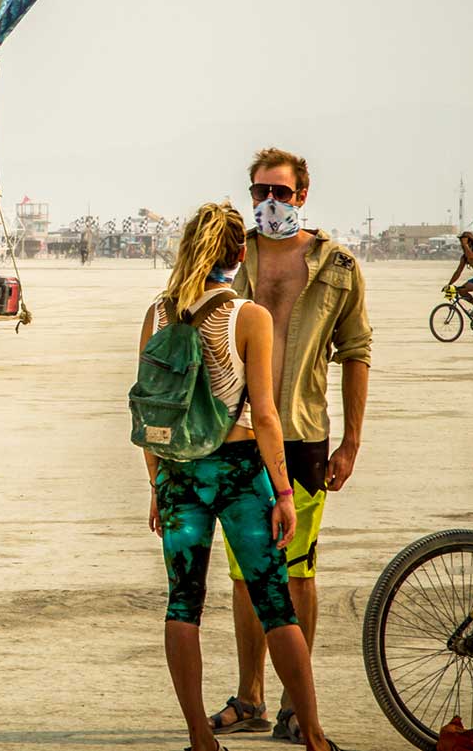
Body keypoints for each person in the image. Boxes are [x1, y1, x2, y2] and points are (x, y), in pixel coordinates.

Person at [141, 201, 340, 751]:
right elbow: (266, 414)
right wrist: (282, 491)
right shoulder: (248, 316)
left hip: (179, 474)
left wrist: (156, 485)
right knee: (275, 600)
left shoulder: (158, 314)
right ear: (236, 254)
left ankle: (201, 740)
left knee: (183, 602)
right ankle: (315, 738)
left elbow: (149, 412)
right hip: (238, 472)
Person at [207, 148, 371, 740]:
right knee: (245, 576)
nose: (269, 202)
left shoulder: (338, 267)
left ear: (303, 194)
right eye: (259, 192)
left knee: (297, 572)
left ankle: (295, 706)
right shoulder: (228, 258)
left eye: (281, 192)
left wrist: (351, 443)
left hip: (303, 438)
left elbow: (357, 354)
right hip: (234, 435)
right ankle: (249, 697)